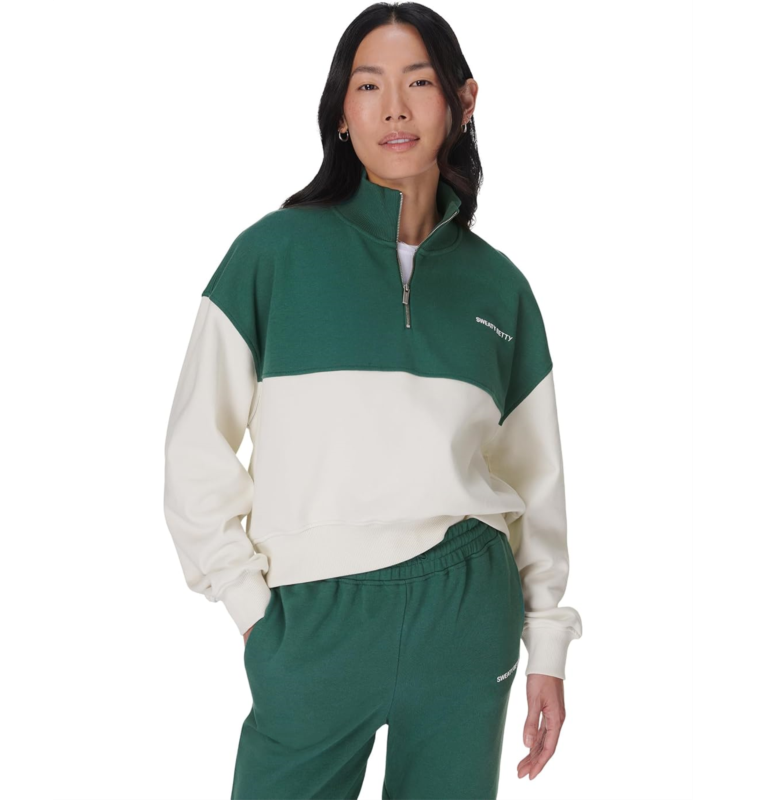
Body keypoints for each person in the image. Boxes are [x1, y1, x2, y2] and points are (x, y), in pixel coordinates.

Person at [162, 3, 582, 798]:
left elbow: (536, 482)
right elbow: (194, 451)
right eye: (368, 85)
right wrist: (252, 611)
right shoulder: (271, 255)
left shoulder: (500, 288)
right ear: (340, 112)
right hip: (313, 622)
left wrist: (547, 646)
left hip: (468, 610)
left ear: (462, 101)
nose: (394, 108)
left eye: (418, 82)